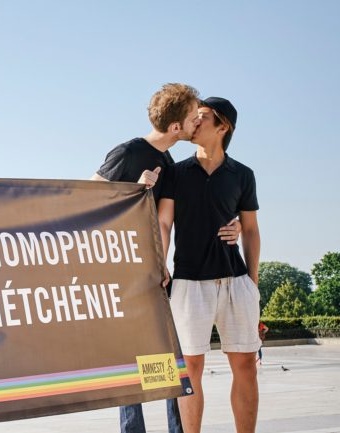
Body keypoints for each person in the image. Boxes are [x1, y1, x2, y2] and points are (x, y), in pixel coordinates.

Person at [91, 83, 240, 433]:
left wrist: (232, 224)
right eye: (193, 117)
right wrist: (128, 192)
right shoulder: (129, 153)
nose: (197, 122)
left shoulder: (168, 163)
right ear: (176, 128)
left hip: (156, 272)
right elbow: (88, 198)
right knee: (132, 357)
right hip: (122, 270)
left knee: (168, 357)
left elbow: (178, 215)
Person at [158, 97, 261, 433]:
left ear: (222, 126)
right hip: (189, 283)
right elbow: (164, 224)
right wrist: (161, 264)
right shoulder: (176, 172)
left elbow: (250, 229)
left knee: (246, 365)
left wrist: (253, 282)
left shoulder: (243, 175)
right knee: (190, 369)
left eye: (201, 117)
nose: (194, 122)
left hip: (235, 281)